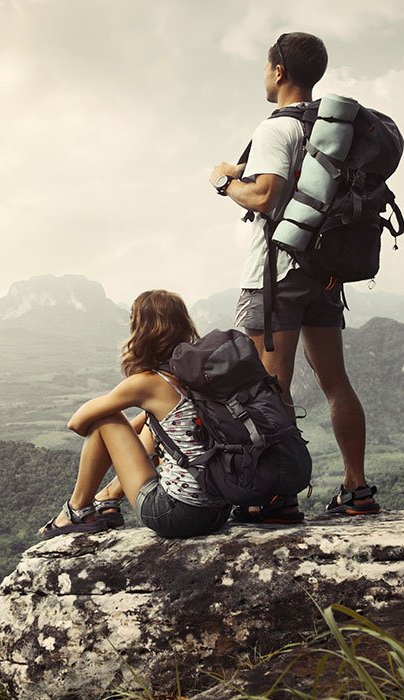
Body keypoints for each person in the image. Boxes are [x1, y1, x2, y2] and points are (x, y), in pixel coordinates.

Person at [207, 32, 379, 520]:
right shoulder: (333, 132)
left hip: (276, 273)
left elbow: (265, 196)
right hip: (324, 272)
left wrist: (225, 182)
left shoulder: (275, 129)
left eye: (266, 66)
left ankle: (276, 496)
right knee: (335, 381)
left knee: (269, 386)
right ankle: (357, 488)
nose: (264, 74)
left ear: (279, 70)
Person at [38, 290, 231, 540]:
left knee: (107, 419)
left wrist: (112, 426)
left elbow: (77, 423)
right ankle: (107, 500)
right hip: (218, 512)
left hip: (176, 515)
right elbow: (158, 426)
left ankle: (76, 510)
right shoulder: (196, 376)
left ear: (143, 329)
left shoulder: (149, 382)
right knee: (149, 425)